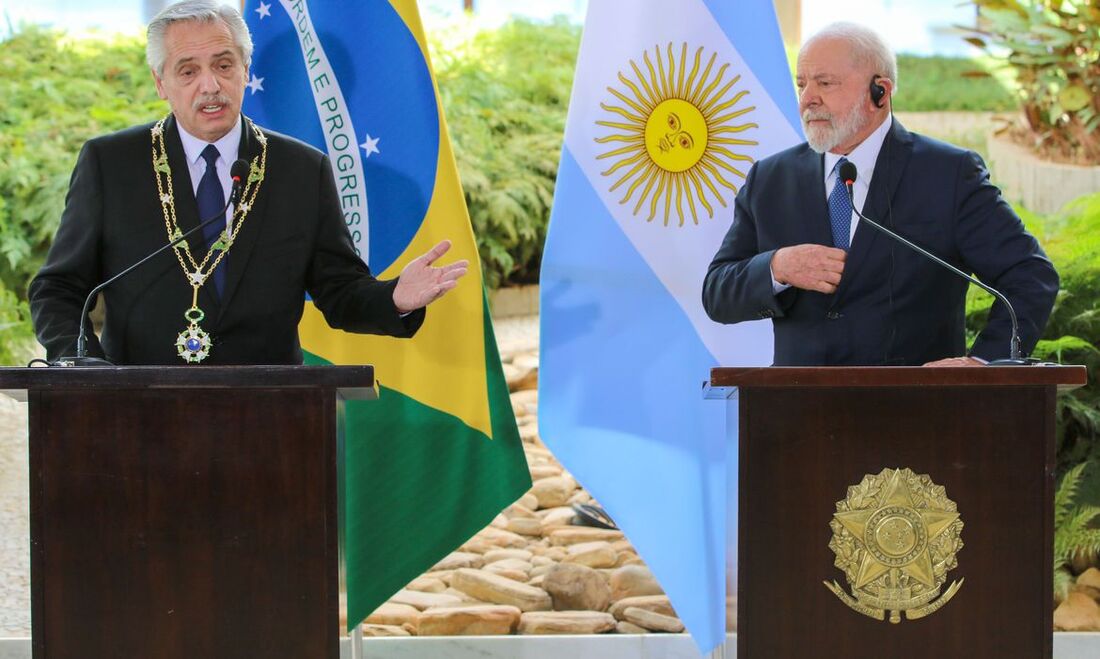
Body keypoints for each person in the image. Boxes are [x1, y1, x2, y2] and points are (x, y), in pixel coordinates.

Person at [30, 0, 466, 365]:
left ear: (244, 69)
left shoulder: (301, 169)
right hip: (138, 411)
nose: (210, 85)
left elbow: (340, 290)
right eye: (188, 71)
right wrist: (79, 365)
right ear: (161, 83)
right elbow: (60, 288)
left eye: (223, 65)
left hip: (270, 415)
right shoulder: (111, 163)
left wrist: (394, 299)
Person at [701, 22, 1058, 366]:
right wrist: (778, 267)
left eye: (825, 83)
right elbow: (718, 293)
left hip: (916, 413)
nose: (808, 99)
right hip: (798, 412)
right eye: (801, 84)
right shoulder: (770, 179)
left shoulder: (948, 174)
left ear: (880, 92)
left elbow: (1030, 276)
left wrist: (983, 362)